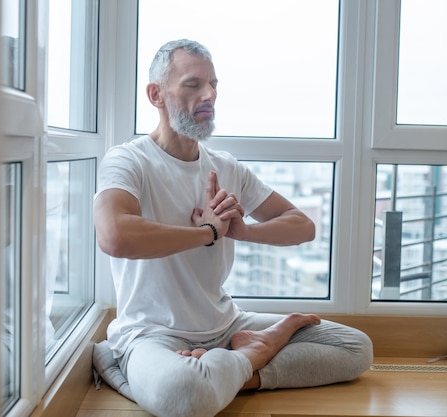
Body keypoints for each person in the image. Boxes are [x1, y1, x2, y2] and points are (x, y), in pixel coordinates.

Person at [93, 39, 373, 417]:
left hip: (227, 325)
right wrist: (206, 233)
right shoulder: (128, 161)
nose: (209, 94)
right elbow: (115, 235)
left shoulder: (227, 167)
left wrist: (242, 230)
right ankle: (255, 353)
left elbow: (302, 226)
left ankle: (243, 359)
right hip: (153, 334)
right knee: (185, 394)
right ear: (156, 94)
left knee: (355, 348)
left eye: (214, 85)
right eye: (193, 85)